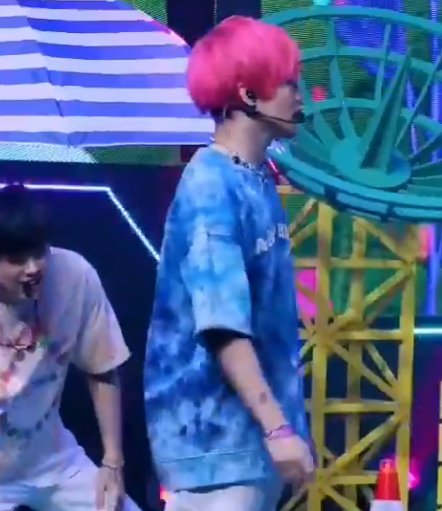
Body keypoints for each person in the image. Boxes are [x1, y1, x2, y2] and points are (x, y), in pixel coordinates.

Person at [144, 15, 315, 511]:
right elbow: (222, 324)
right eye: (288, 82)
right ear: (248, 93)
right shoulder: (210, 185)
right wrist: (278, 428)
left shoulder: (256, 179)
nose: (299, 95)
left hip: (252, 445)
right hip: (213, 444)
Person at [0, 184, 140, 511]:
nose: (33, 268)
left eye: (39, 253)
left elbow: (102, 368)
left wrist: (112, 463)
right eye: (17, 259)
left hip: (52, 457)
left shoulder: (73, 275)